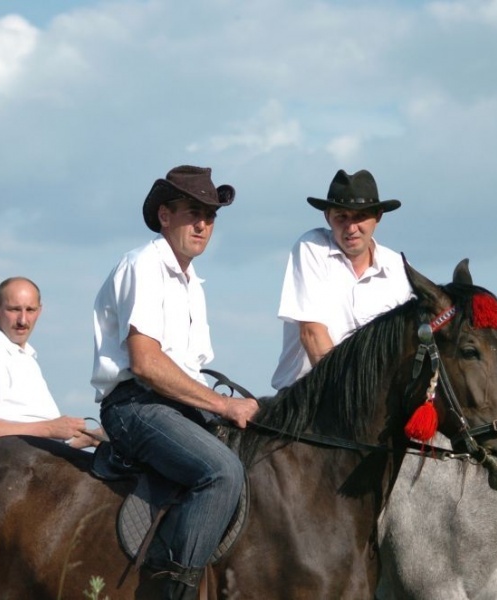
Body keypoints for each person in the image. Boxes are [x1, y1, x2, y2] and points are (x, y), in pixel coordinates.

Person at [91, 165, 259, 598]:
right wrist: (223, 406)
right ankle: (174, 593)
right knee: (222, 472)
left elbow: (187, 371)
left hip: (173, 404)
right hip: (135, 406)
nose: (203, 223)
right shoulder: (145, 265)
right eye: (192, 212)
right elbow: (145, 363)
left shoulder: (191, 282)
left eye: (210, 215)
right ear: (165, 215)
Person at [271, 168, 413, 390]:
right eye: (341, 217)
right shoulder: (311, 247)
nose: (351, 227)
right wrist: (350, 393)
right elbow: (312, 333)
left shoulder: (399, 269)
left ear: (378, 217)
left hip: (375, 403)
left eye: (360, 217)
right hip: (307, 396)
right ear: (327, 216)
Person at [0, 276, 100, 449]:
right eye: (14, 309)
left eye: (30, 310)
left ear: (40, 311)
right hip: (16, 471)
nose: (23, 320)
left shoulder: (25, 357)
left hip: (37, 464)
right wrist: (50, 428)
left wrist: (91, 438)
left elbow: (42, 438)